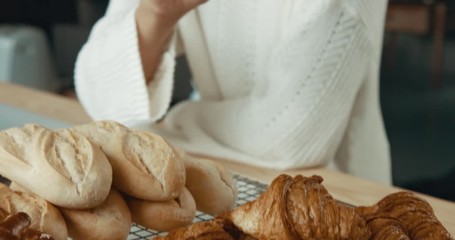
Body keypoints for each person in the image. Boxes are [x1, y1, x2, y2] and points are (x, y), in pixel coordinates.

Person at [74, 0, 392, 184]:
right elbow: (97, 94)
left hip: (342, 195)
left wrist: (177, 121)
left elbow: (292, 136)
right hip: (217, 183)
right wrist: (155, 13)